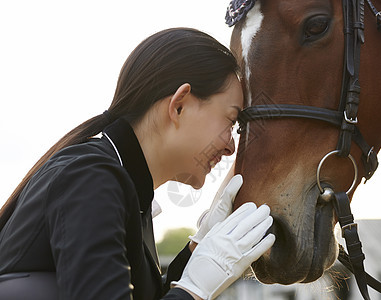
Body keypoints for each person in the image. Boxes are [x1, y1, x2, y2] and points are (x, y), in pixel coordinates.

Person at [0, 28, 275, 300]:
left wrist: (198, 248)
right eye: (230, 122)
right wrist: (193, 291)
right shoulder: (92, 178)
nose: (231, 147)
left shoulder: (117, 184)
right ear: (179, 105)